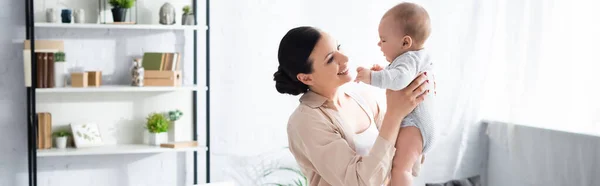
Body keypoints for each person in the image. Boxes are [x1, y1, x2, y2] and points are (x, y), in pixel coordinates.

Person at [273, 26, 431, 186]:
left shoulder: (363, 99)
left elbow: (411, 161)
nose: (345, 58)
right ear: (306, 78)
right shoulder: (305, 122)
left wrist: (409, 92)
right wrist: (394, 114)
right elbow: (358, 182)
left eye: (338, 47)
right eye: (330, 59)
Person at [354, 2, 436, 184]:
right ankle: (416, 159)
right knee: (401, 161)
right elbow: (400, 76)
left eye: (383, 40)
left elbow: (399, 79)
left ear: (405, 42)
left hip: (415, 125)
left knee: (400, 169)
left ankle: (411, 165)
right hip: (419, 126)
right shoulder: (415, 58)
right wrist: (385, 71)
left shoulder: (409, 59)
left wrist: (372, 77)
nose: (379, 44)